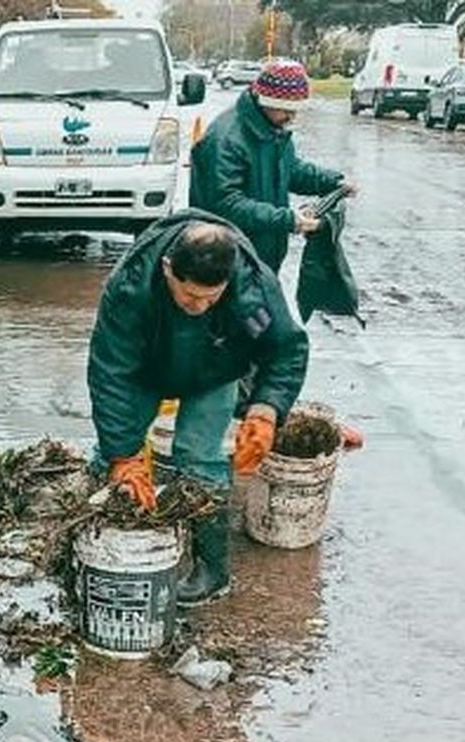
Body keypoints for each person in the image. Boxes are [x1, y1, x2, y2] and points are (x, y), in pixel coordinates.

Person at [87, 212, 308, 606]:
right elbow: (110, 372)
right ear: (169, 268)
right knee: (112, 452)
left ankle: (212, 570)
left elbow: (285, 349)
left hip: (215, 371)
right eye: (189, 296)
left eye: (212, 297)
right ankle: (102, 543)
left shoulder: (252, 285)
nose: (200, 306)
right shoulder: (130, 287)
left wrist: (266, 409)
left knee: (200, 458)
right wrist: (122, 454)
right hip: (144, 371)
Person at [190, 59, 356, 274]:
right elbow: (226, 204)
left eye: (296, 110)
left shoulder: (271, 127)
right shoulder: (226, 139)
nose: (291, 117)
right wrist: (288, 219)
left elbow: (289, 169)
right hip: (226, 257)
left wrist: (332, 181)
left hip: (260, 255)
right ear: (266, 100)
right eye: (286, 109)